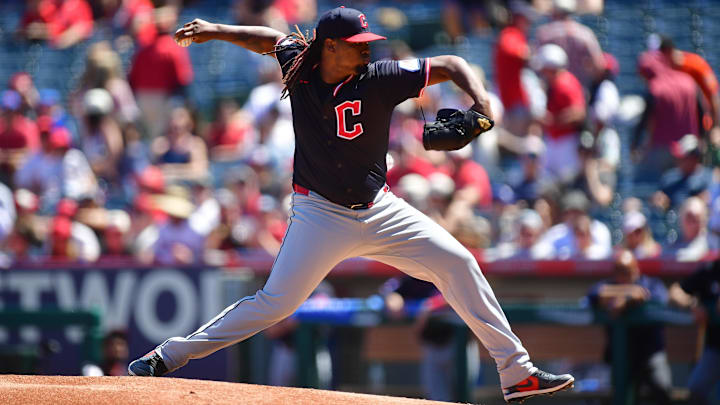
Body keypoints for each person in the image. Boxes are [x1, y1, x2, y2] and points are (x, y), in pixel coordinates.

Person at [128, 7, 574, 402]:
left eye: (367, 44)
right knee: (274, 304)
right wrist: (218, 28)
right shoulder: (300, 67)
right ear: (329, 48)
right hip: (319, 213)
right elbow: (267, 38)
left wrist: (482, 104)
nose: (366, 51)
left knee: (459, 262)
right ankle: (168, 355)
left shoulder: (380, 77)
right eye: (356, 45)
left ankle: (516, 374)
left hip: (381, 209)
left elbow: (453, 63)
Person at [587, 249, 672, 405]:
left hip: (649, 353)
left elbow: (659, 298)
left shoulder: (651, 284)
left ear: (636, 269)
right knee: (612, 395)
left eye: (627, 271)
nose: (623, 275)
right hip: (619, 355)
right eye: (619, 271)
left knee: (662, 387)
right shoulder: (608, 285)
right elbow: (593, 294)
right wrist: (627, 294)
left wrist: (626, 300)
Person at [669, 259, 720, 405]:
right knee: (695, 392)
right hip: (715, 349)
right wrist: (693, 305)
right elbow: (676, 291)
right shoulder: (711, 270)